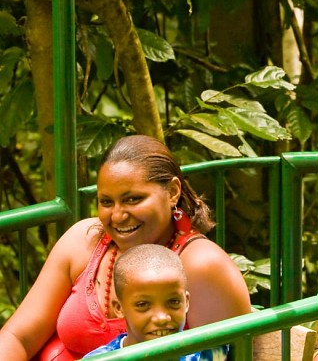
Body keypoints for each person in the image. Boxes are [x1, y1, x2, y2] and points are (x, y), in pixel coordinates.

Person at [0, 135, 251, 361]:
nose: (118, 216)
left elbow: (232, 353)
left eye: (133, 199)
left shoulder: (203, 266)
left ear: (173, 192)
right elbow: (18, 337)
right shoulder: (83, 240)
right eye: (106, 202)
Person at [84, 244, 227, 360]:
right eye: (143, 305)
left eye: (173, 302)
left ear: (186, 302)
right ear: (119, 308)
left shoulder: (209, 355)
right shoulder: (101, 360)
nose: (161, 318)